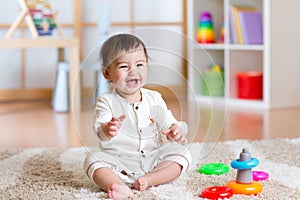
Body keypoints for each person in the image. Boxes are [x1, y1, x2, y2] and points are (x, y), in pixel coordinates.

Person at [83, 33, 192, 200]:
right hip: (119, 164)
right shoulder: (106, 101)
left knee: (183, 154)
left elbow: (168, 122)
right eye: (124, 67)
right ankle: (118, 186)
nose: (133, 71)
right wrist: (108, 129)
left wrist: (174, 130)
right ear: (107, 74)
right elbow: (100, 131)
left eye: (140, 64)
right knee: (92, 160)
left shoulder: (154, 98)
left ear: (147, 67)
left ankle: (149, 179)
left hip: (153, 160)